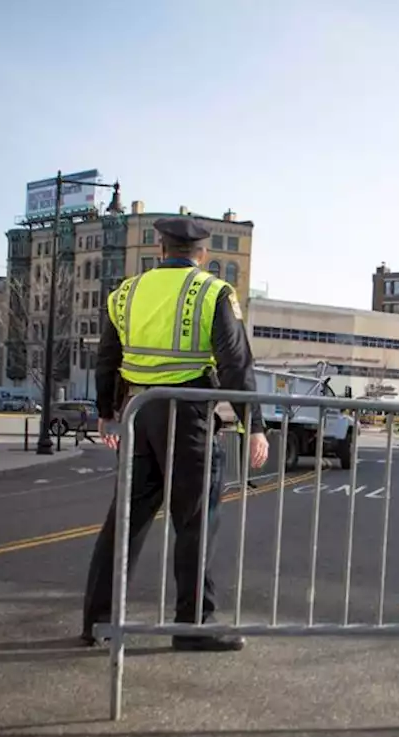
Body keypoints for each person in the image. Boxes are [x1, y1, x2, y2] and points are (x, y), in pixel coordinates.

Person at [81, 216, 270, 652]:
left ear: (160, 251)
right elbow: (235, 365)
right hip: (187, 417)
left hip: (138, 413)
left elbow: (106, 357)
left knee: (124, 522)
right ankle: (192, 626)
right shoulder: (212, 292)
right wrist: (253, 425)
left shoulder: (125, 293)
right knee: (195, 522)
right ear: (202, 255)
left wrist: (107, 412)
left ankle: (99, 621)